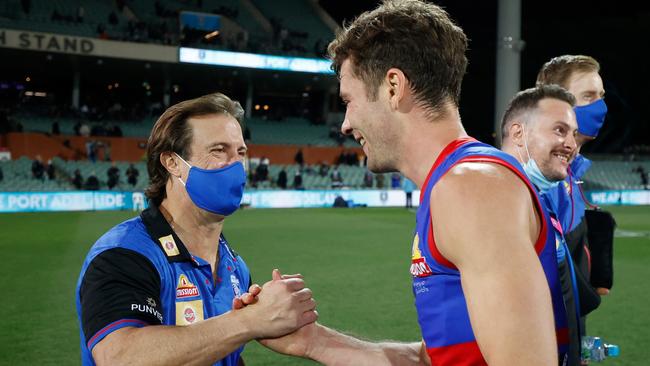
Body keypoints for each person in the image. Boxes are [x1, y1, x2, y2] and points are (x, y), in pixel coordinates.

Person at [259, 1, 569, 364]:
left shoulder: (469, 188)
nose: (344, 124)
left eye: (348, 100)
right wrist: (313, 342)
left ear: (393, 86)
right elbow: (437, 358)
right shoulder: (457, 182)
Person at [74, 93, 317, 365]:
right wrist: (248, 321)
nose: (235, 165)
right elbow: (121, 357)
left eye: (241, 153)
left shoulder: (236, 268)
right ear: (173, 163)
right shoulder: (124, 254)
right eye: (218, 150)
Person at [500, 85, 582, 365]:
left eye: (573, 133)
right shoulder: (496, 200)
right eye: (560, 130)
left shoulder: (535, 198)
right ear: (518, 134)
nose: (572, 144)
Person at [536, 55, 612, 330]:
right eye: (589, 96)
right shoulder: (538, 177)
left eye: (601, 95)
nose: (600, 106)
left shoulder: (570, 172)